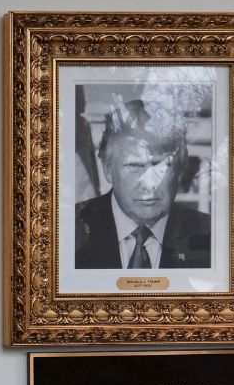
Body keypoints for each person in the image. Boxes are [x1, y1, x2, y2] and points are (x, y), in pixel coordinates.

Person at [74, 96, 211, 269]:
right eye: (134, 166)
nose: (149, 183)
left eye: (161, 166)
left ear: (180, 169)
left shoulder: (211, 235)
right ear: (108, 168)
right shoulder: (67, 230)